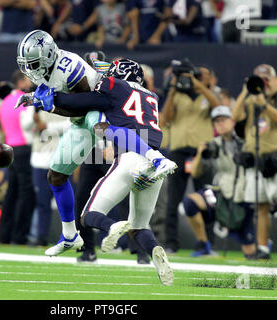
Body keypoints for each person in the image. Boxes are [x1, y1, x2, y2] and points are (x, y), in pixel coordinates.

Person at [16, 30, 174, 256]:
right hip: (79, 119)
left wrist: (50, 105)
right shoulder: (43, 70)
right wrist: (35, 98)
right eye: (28, 64)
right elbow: (60, 100)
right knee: (56, 175)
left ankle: (154, 157)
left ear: (49, 55)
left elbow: (83, 103)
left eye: (34, 63)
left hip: (97, 109)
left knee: (102, 128)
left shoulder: (69, 66)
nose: (31, 69)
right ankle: (70, 236)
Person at [33, 59, 175, 286]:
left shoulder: (115, 86)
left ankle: (112, 226)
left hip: (129, 158)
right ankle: (155, 250)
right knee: (140, 227)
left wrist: (49, 100)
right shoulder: (152, 97)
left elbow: (84, 100)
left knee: (88, 215)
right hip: (151, 161)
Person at [232, 64, 277, 261]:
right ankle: (263, 248)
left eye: (266, 80)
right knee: (261, 206)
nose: (264, 84)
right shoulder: (250, 100)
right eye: (259, 80)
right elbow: (235, 118)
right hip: (257, 159)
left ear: (273, 80)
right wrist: (246, 92)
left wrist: (264, 103)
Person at [160, 59, 220, 253]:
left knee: (207, 197)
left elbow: (218, 108)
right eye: (196, 74)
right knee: (173, 199)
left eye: (202, 75)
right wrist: (172, 89)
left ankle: (207, 242)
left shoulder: (211, 94)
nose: (197, 77)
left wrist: (199, 85)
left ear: (209, 78)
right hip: (178, 150)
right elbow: (166, 118)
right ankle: (171, 243)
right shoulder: (177, 94)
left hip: (202, 151)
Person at [182, 106, 256, 258]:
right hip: (220, 194)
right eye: (216, 121)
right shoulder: (213, 145)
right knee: (190, 202)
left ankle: (262, 243)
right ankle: (203, 244)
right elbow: (195, 173)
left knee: (250, 252)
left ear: (232, 121)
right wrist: (200, 152)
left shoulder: (245, 141)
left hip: (244, 196)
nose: (220, 124)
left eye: (223, 120)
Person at [20, 95, 71, 246]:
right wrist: (33, 115)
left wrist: (47, 127)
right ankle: (41, 237)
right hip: (39, 159)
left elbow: (71, 124)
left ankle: (69, 237)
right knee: (42, 203)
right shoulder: (35, 101)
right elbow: (25, 125)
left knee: (65, 203)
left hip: (61, 159)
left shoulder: (63, 101)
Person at [0, 70, 36, 244]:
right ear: (21, 82)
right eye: (29, 79)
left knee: (11, 193)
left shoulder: (5, 101)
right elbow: (29, 125)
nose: (32, 82)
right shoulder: (26, 100)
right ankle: (20, 236)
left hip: (9, 148)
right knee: (26, 194)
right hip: (23, 149)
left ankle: (4, 235)